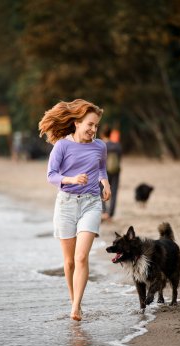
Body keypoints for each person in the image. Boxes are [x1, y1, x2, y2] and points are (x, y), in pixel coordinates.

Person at [38, 99, 111, 322]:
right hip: (66, 205)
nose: (93, 129)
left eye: (96, 125)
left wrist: (105, 183)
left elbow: (101, 168)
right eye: (89, 124)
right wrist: (71, 179)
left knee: (81, 257)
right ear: (77, 123)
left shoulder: (100, 146)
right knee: (69, 262)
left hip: (91, 203)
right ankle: (73, 300)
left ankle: (76, 307)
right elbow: (51, 176)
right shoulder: (62, 146)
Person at [100, 125, 122, 221]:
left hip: (104, 171)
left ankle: (104, 212)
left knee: (102, 191)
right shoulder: (117, 146)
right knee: (114, 192)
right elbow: (120, 158)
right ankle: (111, 214)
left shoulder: (101, 146)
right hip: (116, 170)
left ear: (102, 134)